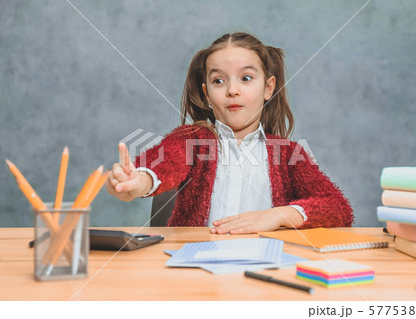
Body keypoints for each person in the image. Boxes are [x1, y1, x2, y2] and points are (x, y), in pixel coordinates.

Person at [106, 32, 353, 234]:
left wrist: (278, 215)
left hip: (269, 271)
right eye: (219, 81)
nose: (232, 90)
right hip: (192, 273)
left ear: (268, 88)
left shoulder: (289, 154)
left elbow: (338, 208)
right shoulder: (192, 140)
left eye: (246, 78)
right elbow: (166, 161)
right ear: (206, 94)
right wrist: (139, 180)